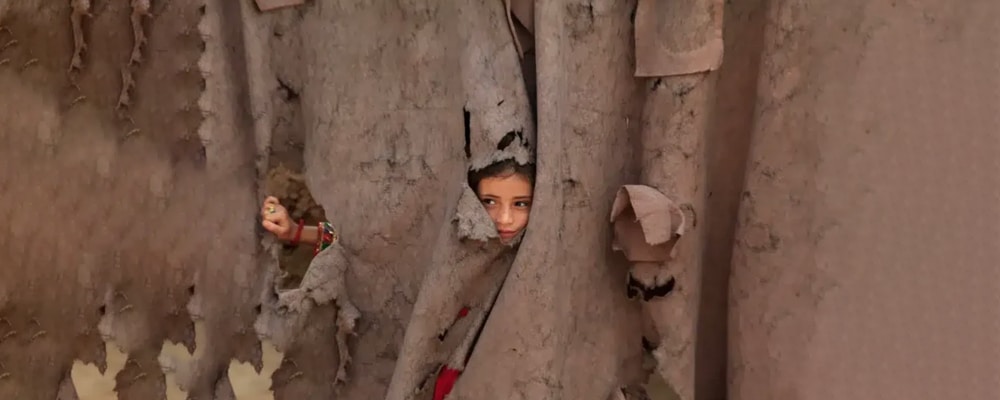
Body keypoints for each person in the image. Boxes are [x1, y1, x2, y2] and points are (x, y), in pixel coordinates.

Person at [259, 158, 535, 399]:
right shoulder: (454, 240)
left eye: (521, 204)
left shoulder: (536, 262)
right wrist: (294, 232)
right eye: (490, 202)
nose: (505, 219)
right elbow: (367, 244)